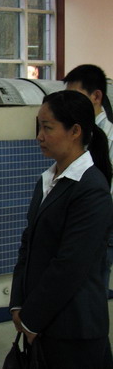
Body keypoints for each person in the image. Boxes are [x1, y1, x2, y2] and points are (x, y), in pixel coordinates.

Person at [9, 90, 113, 368]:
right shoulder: (48, 179)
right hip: (42, 321)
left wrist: (32, 319)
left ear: (75, 131)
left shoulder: (91, 189)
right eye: (38, 127)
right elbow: (28, 243)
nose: (39, 136)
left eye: (47, 128)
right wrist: (18, 303)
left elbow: (70, 265)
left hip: (73, 329)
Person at [64, 63, 113, 292]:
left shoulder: (109, 139)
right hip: (78, 225)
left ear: (96, 96)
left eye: (76, 97)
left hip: (100, 228)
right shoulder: (78, 136)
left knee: (92, 291)